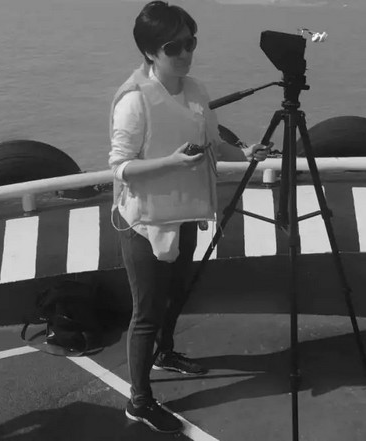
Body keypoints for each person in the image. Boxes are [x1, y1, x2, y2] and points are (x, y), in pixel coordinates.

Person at [108, 1, 269, 433]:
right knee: (146, 313)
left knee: (176, 294)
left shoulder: (195, 90)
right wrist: (172, 163)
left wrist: (245, 153)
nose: (185, 53)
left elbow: (213, 142)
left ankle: (165, 353)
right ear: (150, 52)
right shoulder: (134, 101)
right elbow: (119, 167)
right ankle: (139, 401)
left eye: (190, 42)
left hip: (185, 213)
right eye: (173, 47)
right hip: (144, 223)